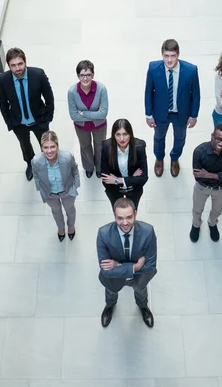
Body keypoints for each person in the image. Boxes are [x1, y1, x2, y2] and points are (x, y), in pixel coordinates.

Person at [96, 198, 157, 328]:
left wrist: (117, 265)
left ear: (135, 213)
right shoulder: (103, 234)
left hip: (139, 277)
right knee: (111, 292)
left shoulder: (148, 232)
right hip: (114, 279)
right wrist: (135, 266)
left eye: (129, 217)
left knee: (141, 291)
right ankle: (110, 305)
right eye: (120, 218)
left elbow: (150, 266)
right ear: (114, 215)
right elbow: (106, 270)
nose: (125, 223)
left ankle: (143, 307)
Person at [145, 38, 200, 178]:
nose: (169, 60)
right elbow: (148, 92)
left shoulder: (191, 70)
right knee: (158, 138)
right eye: (166, 56)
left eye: (173, 56)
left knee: (180, 138)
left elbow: (196, 95)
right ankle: (159, 158)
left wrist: (193, 115)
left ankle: (174, 159)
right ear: (162, 54)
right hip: (160, 113)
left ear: (178, 54)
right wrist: (148, 114)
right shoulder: (153, 68)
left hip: (181, 114)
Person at [0, 47, 54, 181]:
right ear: (9, 66)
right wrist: (9, 122)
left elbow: (49, 97)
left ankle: (48, 163)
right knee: (24, 145)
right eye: (13, 65)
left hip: (39, 119)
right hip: (18, 123)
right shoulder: (3, 79)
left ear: (25, 62)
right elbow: (3, 102)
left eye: (20, 64)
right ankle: (30, 163)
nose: (17, 68)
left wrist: (48, 117)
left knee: (46, 144)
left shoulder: (38, 74)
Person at [190, 124, 222, 243]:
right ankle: (196, 225)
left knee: (217, 210)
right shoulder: (199, 151)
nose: (221, 143)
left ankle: (212, 224)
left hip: (221, 188)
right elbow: (198, 177)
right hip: (202, 187)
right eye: (218, 139)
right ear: (212, 136)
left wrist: (208, 174)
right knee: (197, 209)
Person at [32, 131, 79, 242]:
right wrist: (40, 189)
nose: (49, 151)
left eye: (52, 146)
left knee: (70, 210)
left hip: (67, 192)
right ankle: (61, 228)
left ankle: (71, 227)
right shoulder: (36, 161)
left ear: (57, 146)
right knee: (56, 211)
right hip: (50, 194)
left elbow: (75, 169)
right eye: (46, 147)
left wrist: (75, 185)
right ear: (41, 148)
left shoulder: (67, 157)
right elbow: (36, 175)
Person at [67, 60, 108, 179]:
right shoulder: (72, 92)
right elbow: (73, 116)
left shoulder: (101, 89)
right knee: (85, 147)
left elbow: (103, 113)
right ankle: (89, 167)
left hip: (99, 125)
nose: (85, 78)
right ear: (78, 76)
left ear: (93, 75)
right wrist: (96, 113)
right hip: (81, 126)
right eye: (82, 75)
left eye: (88, 75)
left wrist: (83, 113)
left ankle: (100, 167)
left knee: (100, 146)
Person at [101, 119, 148, 211]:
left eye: (125, 134)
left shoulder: (139, 147)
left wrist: (118, 180)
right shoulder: (106, 147)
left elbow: (143, 178)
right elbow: (105, 178)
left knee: (132, 211)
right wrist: (132, 178)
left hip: (134, 189)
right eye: (118, 134)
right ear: (113, 135)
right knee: (118, 212)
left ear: (130, 134)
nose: (122, 139)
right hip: (114, 190)